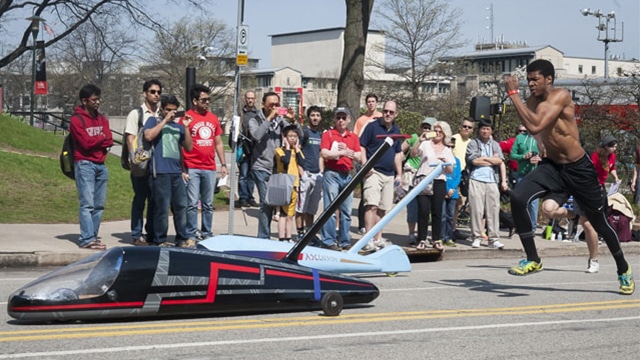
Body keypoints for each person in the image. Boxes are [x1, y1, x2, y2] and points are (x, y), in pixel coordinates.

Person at [504, 59, 634, 295]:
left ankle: (623, 269)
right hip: (553, 166)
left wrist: (513, 95)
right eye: (528, 80)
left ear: (549, 80)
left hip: (578, 168)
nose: (530, 84)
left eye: (535, 79)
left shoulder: (560, 96)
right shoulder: (533, 100)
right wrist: (542, 143)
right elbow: (537, 129)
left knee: (599, 223)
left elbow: (535, 125)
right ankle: (533, 258)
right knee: (518, 196)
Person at [143, 95, 194, 247]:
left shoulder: (178, 126)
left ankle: (182, 237)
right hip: (160, 172)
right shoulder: (154, 121)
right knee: (162, 207)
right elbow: (148, 136)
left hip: (176, 172)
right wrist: (165, 120)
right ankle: (160, 239)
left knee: (180, 206)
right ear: (162, 110)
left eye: (174, 110)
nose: (171, 113)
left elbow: (189, 147)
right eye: (168, 110)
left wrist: (185, 127)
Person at [181, 84, 228, 242]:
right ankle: (191, 233)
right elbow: (181, 145)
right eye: (204, 100)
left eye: (209, 99)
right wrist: (183, 169)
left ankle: (207, 233)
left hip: (209, 167)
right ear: (195, 101)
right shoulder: (187, 118)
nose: (207, 102)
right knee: (192, 203)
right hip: (192, 166)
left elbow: (219, 142)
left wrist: (223, 164)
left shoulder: (213, 118)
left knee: (208, 203)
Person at [70, 84, 114, 250]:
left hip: (101, 165)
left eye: (98, 99)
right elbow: (85, 144)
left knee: (99, 204)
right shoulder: (77, 120)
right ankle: (86, 238)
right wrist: (100, 139)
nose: (97, 102)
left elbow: (109, 139)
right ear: (84, 101)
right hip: (84, 164)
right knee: (87, 204)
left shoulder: (102, 118)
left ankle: (93, 236)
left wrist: (100, 139)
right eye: (94, 100)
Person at [359, 100, 403, 250]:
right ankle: (368, 239)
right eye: (385, 111)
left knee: (383, 208)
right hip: (374, 172)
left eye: (391, 112)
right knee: (371, 205)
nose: (388, 114)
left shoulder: (396, 130)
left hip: (389, 174)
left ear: (396, 114)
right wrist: (365, 164)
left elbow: (397, 154)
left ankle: (378, 238)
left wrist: (399, 174)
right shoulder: (372, 127)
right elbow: (362, 145)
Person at [123, 79, 162, 246]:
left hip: (158, 164)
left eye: (158, 92)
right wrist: (135, 158)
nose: (156, 95)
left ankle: (151, 232)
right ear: (145, 93)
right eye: (152, 92)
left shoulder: (162, 113)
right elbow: (130, 136)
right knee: (140, 199)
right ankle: (137, 234)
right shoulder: (136, 113)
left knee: (155, 200)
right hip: (141, 163)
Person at [248, 91, 291, 238]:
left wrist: (293, 122)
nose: (274, 106)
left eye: (277, 104)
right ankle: (263, 236)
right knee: (266, 202)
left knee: (278, 202)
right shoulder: (255, 120)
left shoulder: (280, 121)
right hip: (260, 166)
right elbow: (257, 135)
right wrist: (270, 118)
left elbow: (297, 136)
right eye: (271, 104)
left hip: (277, 167)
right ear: (263, 104)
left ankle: (282, 235)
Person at [320, 106, 361, 250]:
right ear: (334, 119)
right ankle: (328, 241)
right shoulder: (329, 135)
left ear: (349, 120)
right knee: (330, 209)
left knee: (346, 211)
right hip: (332, 173)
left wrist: (350, 153)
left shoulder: (353, 137)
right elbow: (324, 153)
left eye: (344, 118)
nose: (341, 120)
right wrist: (338, 153)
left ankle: (344, 241)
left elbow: (359, 156)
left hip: (347, 175)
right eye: (338, 117)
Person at [409, 120, 454, 250]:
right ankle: (421, 239)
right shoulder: (426, 144)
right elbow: (413, 154)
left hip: (439, 181)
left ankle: (436, 239)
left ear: (445, 134)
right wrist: (420, 140)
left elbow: (450, 170)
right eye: (436, 131)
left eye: (441, 131)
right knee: (423, 210)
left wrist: (445, 162)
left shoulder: (447, 149)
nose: (438, 134)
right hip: (424, 178)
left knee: (437, 211)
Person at [578, 135, 620, 273]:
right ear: (605, 146)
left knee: (589, 223)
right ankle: (594, 258)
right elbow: (589, 171)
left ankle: (594, 259)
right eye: (612, 145)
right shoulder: (596, 156)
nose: (615, 148)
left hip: (599, 190)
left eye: (615, 145)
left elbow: (612, 168)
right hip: (589, 189)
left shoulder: (612, 156)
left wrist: (615, 178)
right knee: (586, 222)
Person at [466, 120, 508, 249]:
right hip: (476, 179)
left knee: (493, 210)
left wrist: (485, 158)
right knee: (476, 210)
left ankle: (493, 239)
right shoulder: (473, 143)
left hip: (492, 180)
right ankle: (476, 237)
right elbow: (474, 160)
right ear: (479, 130)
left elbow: (500, 160)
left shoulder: (495, 145)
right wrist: (492, 160)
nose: (485, 131)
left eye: (488, 129)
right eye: (483, 128)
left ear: (491, 131)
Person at [401, 117, 436, 245]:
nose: (426, 130)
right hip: (412, 174)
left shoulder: (435, 142)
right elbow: (401, 150)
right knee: (412, 206)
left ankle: (423, 234)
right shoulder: (414, 137)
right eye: (424, 127)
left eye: (429, 128)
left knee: (425, 208)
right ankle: (411, 233)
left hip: (427, 175)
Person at [353, 93, 383, 234]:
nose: (371, 103)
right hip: (366, 160)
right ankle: (362, 225)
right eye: (369, 101)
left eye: (373, 101)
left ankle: (376, 226)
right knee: (367, 193)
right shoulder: (361, 120)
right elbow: (357, 139)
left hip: (381, 161)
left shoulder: (382, 117)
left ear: (377, 103)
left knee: (378, 197)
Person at [296, 106, 324, 241]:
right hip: (305, 173)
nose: (315, 118)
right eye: (313, 115)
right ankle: (300, 233)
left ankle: (309, 234)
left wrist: (321, 171)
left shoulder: (321, 134)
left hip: (317, 175)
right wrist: (301, 172)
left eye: (318, 115)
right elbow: (297, 151)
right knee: (301, 207)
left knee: (312, 209)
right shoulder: (304, 132)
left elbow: (321, 154)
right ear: (309, 117)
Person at [275, 125, 305, 242]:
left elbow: (303, 162)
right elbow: (285, 161)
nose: (292, 139)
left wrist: (297, 150)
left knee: (290, 214)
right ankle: (281, 237)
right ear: (284, 137)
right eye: (290, 136)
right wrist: (287, 147)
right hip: (283, 185)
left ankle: (289, 236)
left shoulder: (297, 151)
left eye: (294, 136)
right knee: (283, 213)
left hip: (294, 184)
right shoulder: (279, 151)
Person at [509, 126, 541, 231]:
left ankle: (532, 228)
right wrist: (523, 156)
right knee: (520, 201)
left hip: (536, 175)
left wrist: (539, 158)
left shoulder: (541, 138)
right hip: (522, 174)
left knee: (533, 203)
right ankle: (521, 225)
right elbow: (512, 155)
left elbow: (549, 155)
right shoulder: (520, 138)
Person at [451, 117, 475, 239]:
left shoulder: (472, 143)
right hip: (454, 174)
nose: (466, 129)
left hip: (466, 176)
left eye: (469, 127)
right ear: (460, 126)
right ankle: (451, 228)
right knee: (454, 202)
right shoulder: (454, 138)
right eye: (464, 126)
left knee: (461, 204)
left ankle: (454, 228)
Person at [237, 90, 258, 208]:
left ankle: (250, 197)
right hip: (244, 148)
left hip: (255, 149)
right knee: (243, 175)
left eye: (252, 98)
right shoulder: (240, 114)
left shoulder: (258, 113)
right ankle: (243, 197)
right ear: (245, 99)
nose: (250, 100)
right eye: (248, 98)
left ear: (255, 99)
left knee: (251, 175)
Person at [441, 136, 462, 247]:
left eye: (452, 147)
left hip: (452, 192)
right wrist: (445, 190)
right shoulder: (440, 159)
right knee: (442, 216)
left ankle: (448, 237)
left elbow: (458, 176)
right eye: (447, 146)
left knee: (450, 216)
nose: (449, 149)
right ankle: (440, 237)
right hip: (442, 191)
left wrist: (452, 189)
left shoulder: (456, 161)